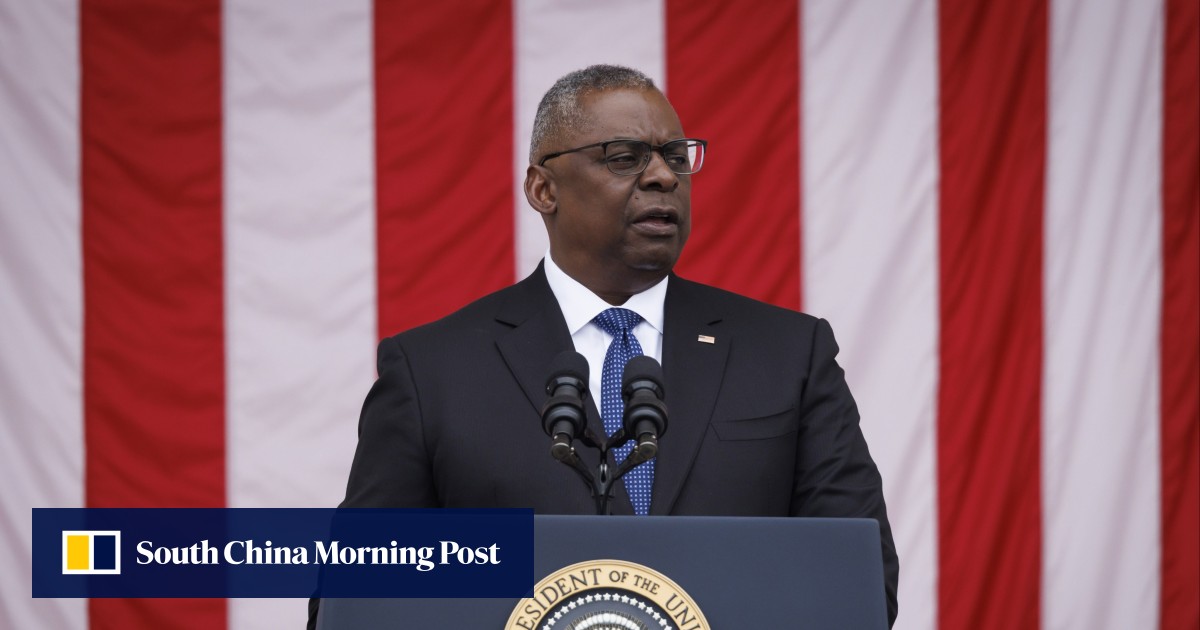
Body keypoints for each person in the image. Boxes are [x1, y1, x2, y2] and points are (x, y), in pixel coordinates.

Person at [318, 64, 898, 626]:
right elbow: (355, 597)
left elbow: (860, 579)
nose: (663, 177)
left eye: (676, 157)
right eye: (625, 157)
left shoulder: (789, 354)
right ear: (543, 189)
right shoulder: (433, 371)